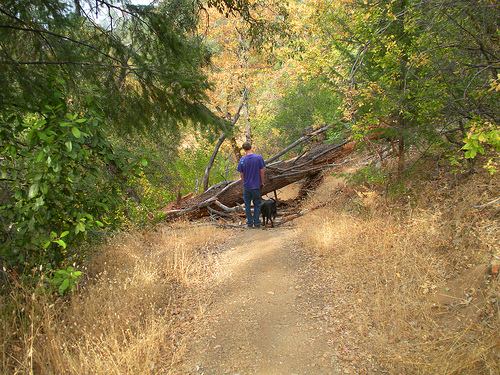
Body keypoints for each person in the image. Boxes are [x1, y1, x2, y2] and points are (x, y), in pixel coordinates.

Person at [237, 141, 265, 228]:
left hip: (247, 186)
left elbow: (241, 174)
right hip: (256, 185)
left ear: (244, 149)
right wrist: (262, 182)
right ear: (251, 148)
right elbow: (262, 171)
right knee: (257, 204)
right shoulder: (258, 158)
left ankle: (249, 222)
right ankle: (256, 222)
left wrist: (243, 182)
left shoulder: (242, 160)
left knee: (247, 205)